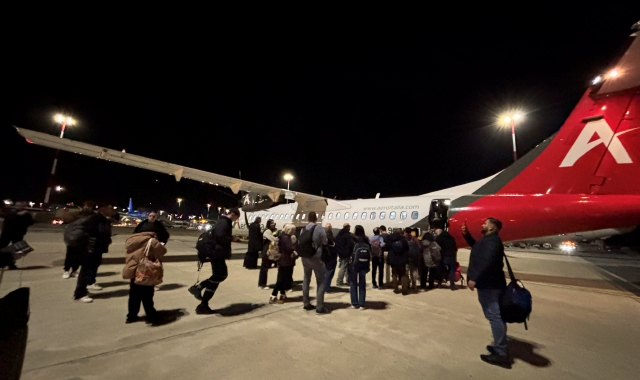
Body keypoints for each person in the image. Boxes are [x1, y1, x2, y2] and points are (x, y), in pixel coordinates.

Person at [463, 217, 510, 369]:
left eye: (485, 223)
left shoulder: (492, 242)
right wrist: (467, 235)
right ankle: (499, 344)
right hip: (492, 284)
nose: (482, 225)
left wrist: (474, 278)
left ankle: (500, 352)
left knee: (493, 315)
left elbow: (486, 261)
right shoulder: (489, 240)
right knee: (496, 315)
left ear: (491, 227)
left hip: (489, 285)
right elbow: (477, 248)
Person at [188, 208, 241, 314]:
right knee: (220, 275)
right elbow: (220, 236)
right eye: (236, 217)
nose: (236, 220)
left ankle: (201, 294)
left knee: (219, 276)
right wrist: (232, 238)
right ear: (233, 215)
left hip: (217, 253)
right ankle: (201, 297)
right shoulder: (224, 222)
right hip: (216, 253)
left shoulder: (223, 221)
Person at [73, 206, 116, 303]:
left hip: (96, 248)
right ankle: (80, 293)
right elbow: (95, 233)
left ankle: (85, 288)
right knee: (86, 270)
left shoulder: (101, 219)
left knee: (90, 268)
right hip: (91, 249)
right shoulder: (95, 220)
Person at [122, 231, 167, 324]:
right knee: (147, 295)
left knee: (134, 295)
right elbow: (163, 251)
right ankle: (151, 316)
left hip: (134, 270)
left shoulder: (131, 239)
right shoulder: (151, 240)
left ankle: (131, 316)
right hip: (145, 271)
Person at [301, 212, 330, 314]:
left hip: (305, 258)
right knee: (321, 281)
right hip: (316, 258)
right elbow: (325, 241)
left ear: (308, 218)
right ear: (316, 218)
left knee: (306, 279)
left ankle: (306, 303)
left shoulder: (303, 229)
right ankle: (320, 306)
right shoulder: (319, 228)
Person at [62, 201, 95, 279]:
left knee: (78, 255)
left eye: (89, 206)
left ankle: (74, 270)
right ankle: (66, 270)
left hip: (83, 237)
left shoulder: (93, 216)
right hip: (73, 236)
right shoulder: (78, 214)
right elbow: (66, 219)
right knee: (70, 254)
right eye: (86, 206)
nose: (87, 208)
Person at [0, 201, 34, 269]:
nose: (17, 207)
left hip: (13, 233)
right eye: (17, 205)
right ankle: (8, 263)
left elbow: (28, 222)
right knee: (4, 248)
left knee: (16, 250)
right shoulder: (23, 214)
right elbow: (29, 222)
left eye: (19, 205)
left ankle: (9, 263)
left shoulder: (13, 213)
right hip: (11, 233)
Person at [270, 223, 298, 304]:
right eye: (294, 230)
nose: (295, 231)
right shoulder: (286, 238)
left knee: (282, 278)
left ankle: (282, 294)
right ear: (289, 230)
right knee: (281, 279)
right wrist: (295, 244)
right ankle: (273, 296)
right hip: (286, 261)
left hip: (283, 260)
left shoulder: (281, 236)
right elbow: (290, 248)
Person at [433, 219, 458, 290]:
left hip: (443, 256)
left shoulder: (439, 238)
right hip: (451, 256)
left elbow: (437, 248)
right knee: (452, 270)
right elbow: (455, 247)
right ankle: (452, 285)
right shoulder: (451, 238)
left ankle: (439, 283)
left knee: (441, 270)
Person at [349, 225, 370, 309]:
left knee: (353, 283)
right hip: (364, 264)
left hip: (354, 264)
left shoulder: (352, 239)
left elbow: (349, 250)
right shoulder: (366, 239)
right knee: (362, 283)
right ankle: (362, 303)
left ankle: (354, 303)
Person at [386, 228, 409, 295]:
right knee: (403, 274)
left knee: (394, 274)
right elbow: (407, 248)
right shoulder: (403, 239)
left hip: (393, 259)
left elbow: (387, 247)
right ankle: (404, 288)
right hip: (402, 258)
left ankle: (395, 287)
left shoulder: (389, 239)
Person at [258, 219, 278, 289]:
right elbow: (273, 239)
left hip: (267, 251)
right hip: (266, 251)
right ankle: (262, 284)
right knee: (264, 268)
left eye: (273, 223)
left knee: (265, 267)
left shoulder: (270, 231)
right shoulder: (268, 231)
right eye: (271, 224)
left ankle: (262, 284)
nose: (273, 225)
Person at [404, 227, 421, 291]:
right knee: (413, 271)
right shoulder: (414, 239)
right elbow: (419, 247)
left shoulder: (404, 239)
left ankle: (407, 284)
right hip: (413, 257)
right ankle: (414, 284)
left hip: (406, 257)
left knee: (406, 271)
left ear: (405, 232)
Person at [322, 223, 337, 292]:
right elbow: (333, 245)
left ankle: (324, 286)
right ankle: (326, 287)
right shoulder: (331, 236)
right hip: (331, 256)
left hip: (324, 256)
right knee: (330, 271)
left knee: (325, 271)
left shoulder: (323, 235)